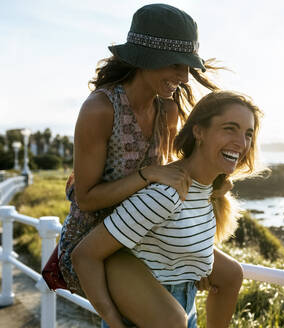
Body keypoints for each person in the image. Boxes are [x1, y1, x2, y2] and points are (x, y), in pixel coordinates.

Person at [57, 4, 243, 327]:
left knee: (230, 275)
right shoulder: (100, 109)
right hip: (98, 242)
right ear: (145, 57)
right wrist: (147, 175)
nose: (184, 77)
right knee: (173, 320)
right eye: (175, 64)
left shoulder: (167, 111)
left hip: (142, 233)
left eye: (187, 66)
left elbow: (170, 177)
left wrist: (193, 256)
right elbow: (85, 199)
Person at [71, 90, 263, 328]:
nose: (241, 143)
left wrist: (195, 265)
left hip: (185, 308)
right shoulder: (166, 193)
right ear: (199, 131)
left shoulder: (211, 188)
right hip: (151, 318)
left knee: (232, 273)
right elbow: (83, 255)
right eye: (229, 128)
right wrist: (112, 321)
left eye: (248, 134)